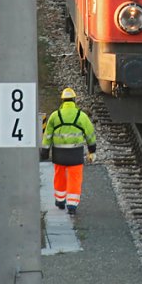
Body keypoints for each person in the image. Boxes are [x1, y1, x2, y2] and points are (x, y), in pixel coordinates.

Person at [40, 87, 97, 216]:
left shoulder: (55, 115)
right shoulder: (81, 116)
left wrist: (45, 151)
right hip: (75, 153)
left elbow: (47, 135)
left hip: (59, 153)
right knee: (75, 178)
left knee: (59, 176)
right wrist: (92, 150)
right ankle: (72, 205)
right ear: (74, 100)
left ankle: (60, 200)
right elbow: (90, 135)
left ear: (62, 101)